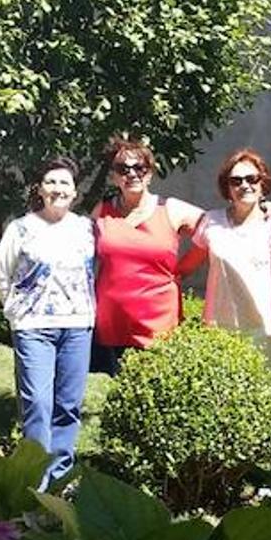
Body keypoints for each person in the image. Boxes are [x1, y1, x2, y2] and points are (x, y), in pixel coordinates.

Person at [0, 158, 95, 488]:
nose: (58, 189)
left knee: (69, 405)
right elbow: (0, 274)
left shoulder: (86, 228)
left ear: (75, 192)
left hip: (77, 326)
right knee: (37, 403)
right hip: (33, 327)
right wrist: (15, 312)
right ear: (40, 189)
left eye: (64, 183)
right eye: (51, 182)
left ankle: (59, 479)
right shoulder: (21, 228)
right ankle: (34, 479)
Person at [180, 148, 271, 398]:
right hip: (220, 326)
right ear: (227, 188)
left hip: (266, 327)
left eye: (252, 179)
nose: (245, 185)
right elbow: (189, 264)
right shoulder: (211, 221)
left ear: (263, 184)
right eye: (236, 181)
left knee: (270, 400)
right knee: (222, 400)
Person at [90, 136, 206, 374]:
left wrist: (183, 269)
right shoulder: (103, 210)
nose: (132, 174)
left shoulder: (171, 209)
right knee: (122, 394)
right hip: (113, 322)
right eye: (123, 169)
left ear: (150, 174)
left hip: (158, 322)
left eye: (139, 168)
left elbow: (214, 231)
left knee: (157, 397)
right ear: (114, 176)